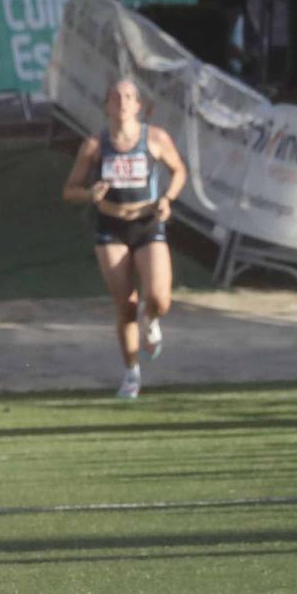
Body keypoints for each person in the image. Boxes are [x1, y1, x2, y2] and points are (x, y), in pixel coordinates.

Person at [61, 79, 189, 400]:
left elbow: (179, 171)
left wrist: (168, 199)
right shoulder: (94, 145)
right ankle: (132, 373)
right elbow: (69, 190)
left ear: (138, 106)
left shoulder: (155, 138)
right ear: (106, 106)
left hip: (147, 223)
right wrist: (91, 193)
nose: (122, 101)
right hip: (111, 227)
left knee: (159, 298)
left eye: (129, 96)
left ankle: (152, 319)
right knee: (126, 305)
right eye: (115, 96)